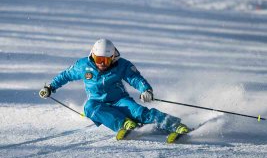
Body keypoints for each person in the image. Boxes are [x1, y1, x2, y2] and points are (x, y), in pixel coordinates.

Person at [39, 38, 189, 139]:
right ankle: (125, 124)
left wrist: (145, 90)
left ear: (113, 58)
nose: (102, 63)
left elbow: (135, 78)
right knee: (89, 107)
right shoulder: (83, 66)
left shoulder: (121, 65)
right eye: (99, 59)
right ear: (93, 56)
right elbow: (66, 75)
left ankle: (175, 125)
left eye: (106, 60)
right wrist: (50, 87)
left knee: (138, 112)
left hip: (120, 100)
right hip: (98, 102)